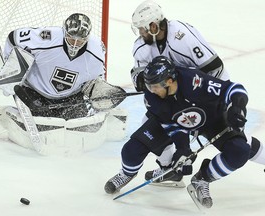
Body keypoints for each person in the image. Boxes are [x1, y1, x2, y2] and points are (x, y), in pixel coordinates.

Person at [129, 0, 265, 184]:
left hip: (207, 95)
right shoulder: (141, 47)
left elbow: (215, 69)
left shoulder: (182, 37)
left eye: (143, 29)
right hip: (174, 97)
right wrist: (146, 82)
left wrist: (201, 101)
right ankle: (170, 170)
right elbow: (141, 77)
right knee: (152, 122)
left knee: (235, 140)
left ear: (153, 26)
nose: (140, 33)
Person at [104, 56, 262, 208]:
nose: (151, 91)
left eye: (155, 87)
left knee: (240, 151)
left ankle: (202, 179)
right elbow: (172, 125)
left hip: (212, 119)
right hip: (177, 122)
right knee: (131, 151)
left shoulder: (194, 81)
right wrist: (183, 149)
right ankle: (128, 173)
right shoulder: (152, 97)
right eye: (149, 86)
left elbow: (234, 89)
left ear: (170, 81)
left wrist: (237, 107)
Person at [2, 13, 106, 120]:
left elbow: (98, 78)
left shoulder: (96, 50)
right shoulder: (47, 37)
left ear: (87, 38)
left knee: (80, 129)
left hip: (70, 97)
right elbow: (13, 37)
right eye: (71, 39)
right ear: (64, 32)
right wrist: (11, 67)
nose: (74, 44)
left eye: (80, 41)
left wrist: (98, 95)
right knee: (44, 126)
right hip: (34, 92)